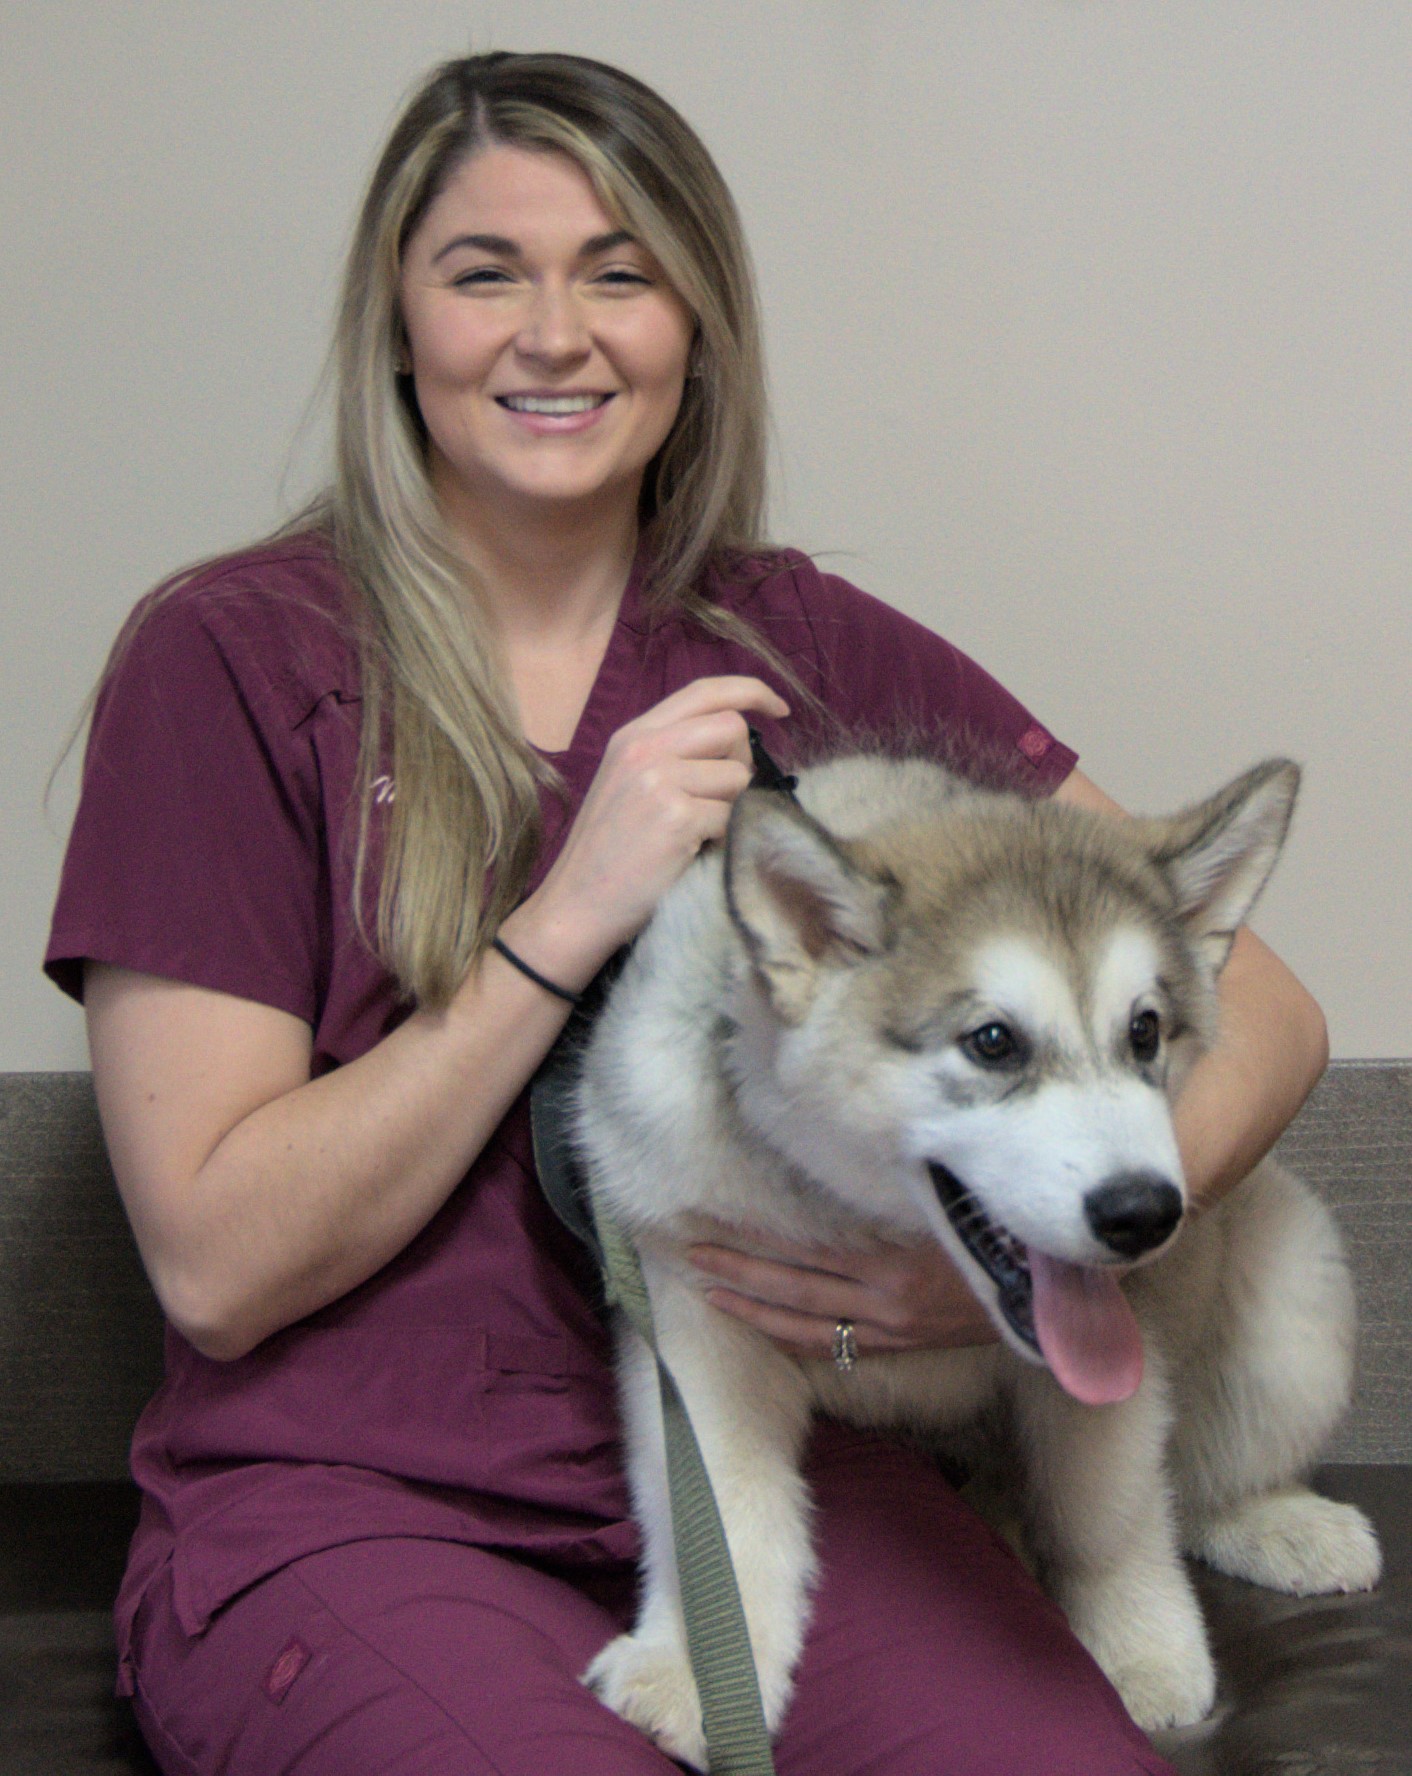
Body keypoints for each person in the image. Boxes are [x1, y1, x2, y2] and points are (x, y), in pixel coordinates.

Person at [47, 51, 1326, 1776]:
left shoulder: (809, 644)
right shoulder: (228, 663)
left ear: (696, 326)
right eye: (485, 271)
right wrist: (562, 919)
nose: (555, 334)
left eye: (620, 272)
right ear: (396, 324)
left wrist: (989, 1289)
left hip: (804, 1479)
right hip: (364, 1505)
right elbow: (218, 1264)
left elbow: (1279, 1025)